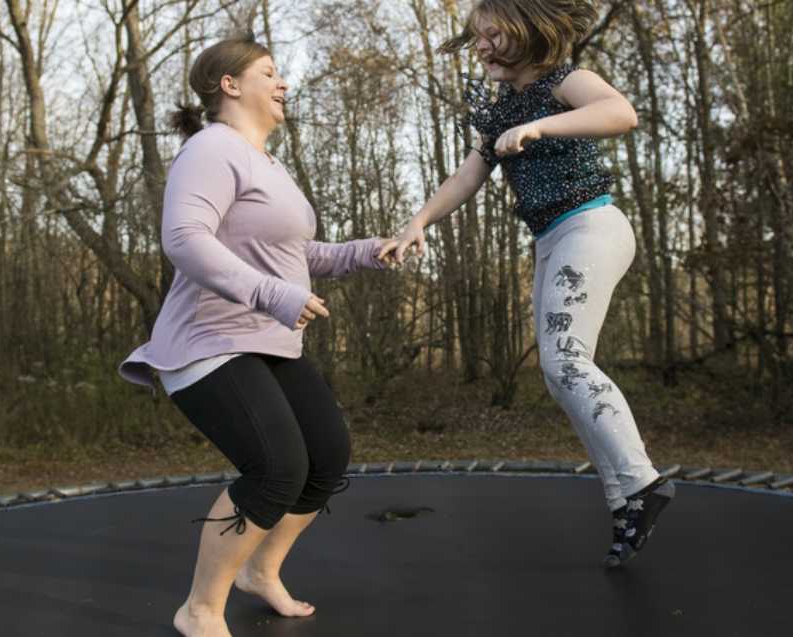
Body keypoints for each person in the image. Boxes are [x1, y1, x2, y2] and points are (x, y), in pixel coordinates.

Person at [117, 36, 399, 636]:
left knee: (325, 460)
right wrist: (273, 295)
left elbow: (297, 255)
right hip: (209, 341)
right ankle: (199, 609)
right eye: (269, 72)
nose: (283, 83)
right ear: (230, 85)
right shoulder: (210, 149)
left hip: (267, 341)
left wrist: (371, 251)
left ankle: (260, 571)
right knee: (275, 467)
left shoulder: (268, 164)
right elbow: (185, 239)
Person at [380, 0, 674, 568]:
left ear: (527, 33)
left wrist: (540, 124)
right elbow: (468, 174)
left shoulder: (568, 81)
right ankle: (624, 500)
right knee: (558, 370)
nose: (481, 46)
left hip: (592, 224)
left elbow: (621, 113)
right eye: (476, 37)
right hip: (550, 240)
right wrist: (418, 220)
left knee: (566, 360)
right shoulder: (497, 113)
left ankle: (641, 483)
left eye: (492, 35)